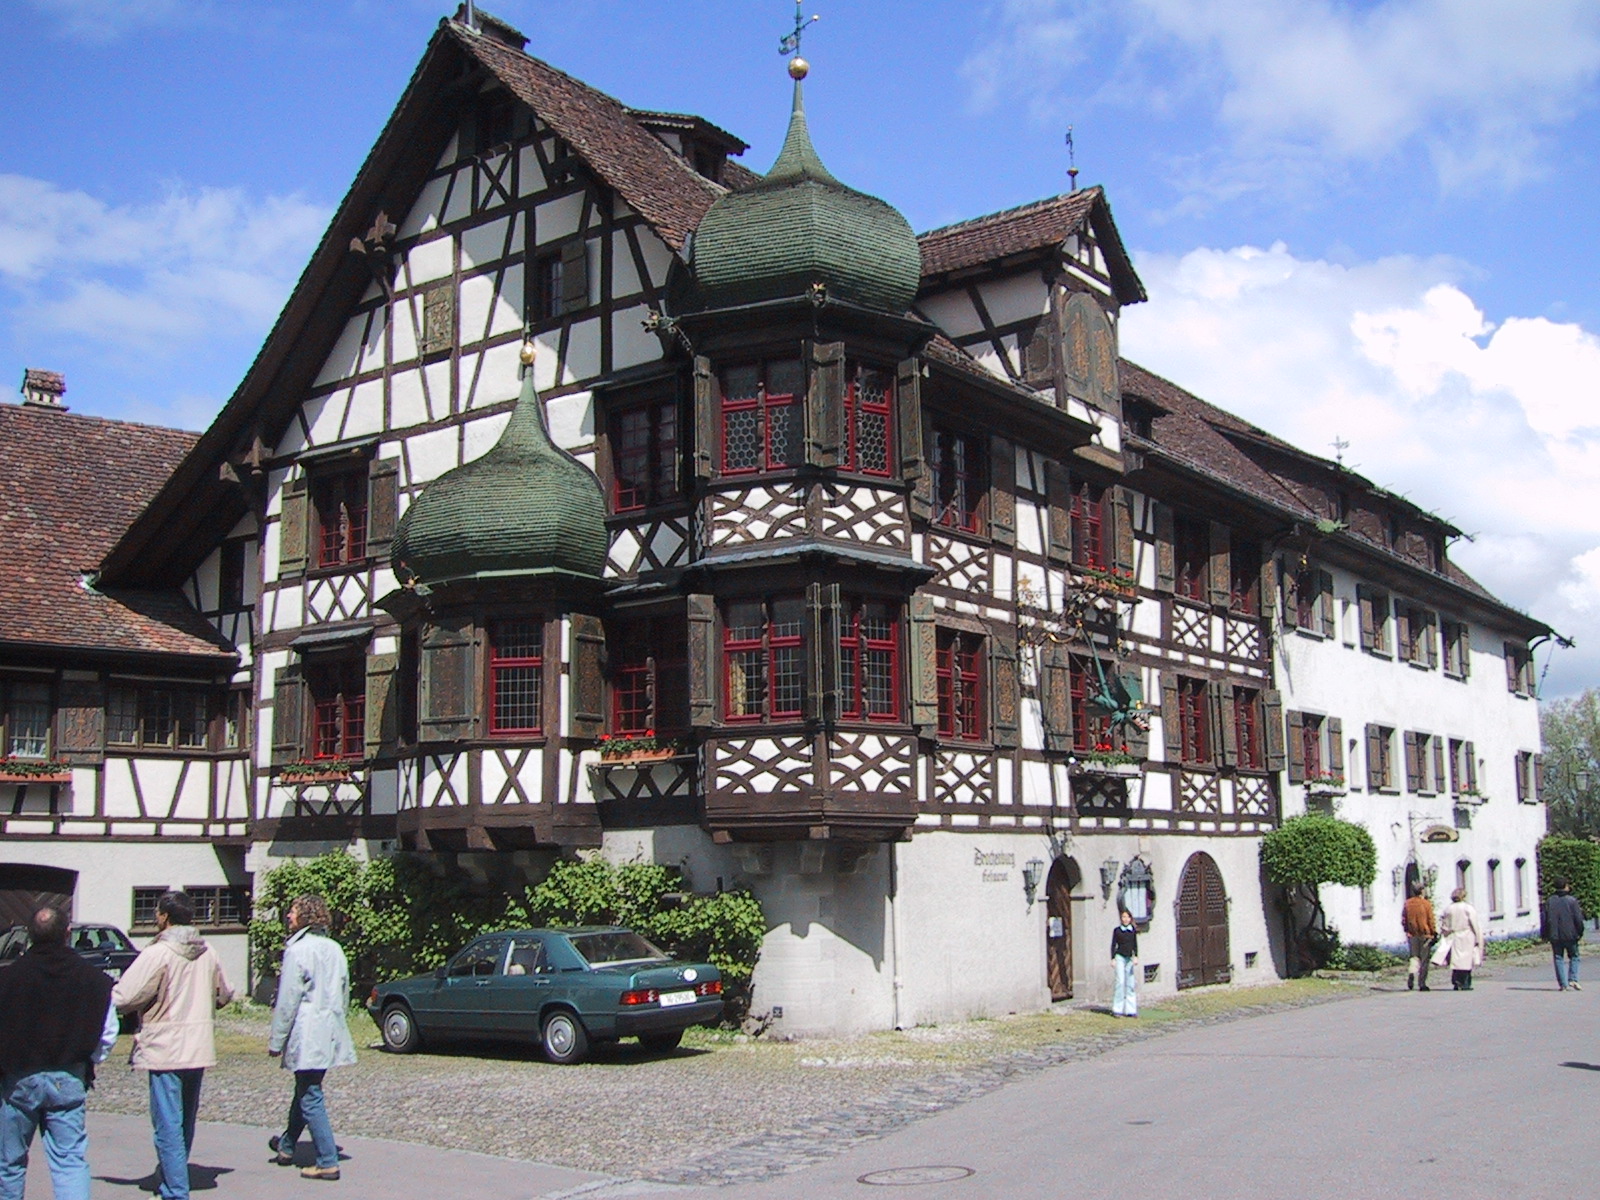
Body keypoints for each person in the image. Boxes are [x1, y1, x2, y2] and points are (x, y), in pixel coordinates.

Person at [112, 891, 235, 1200]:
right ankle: (171, 1174)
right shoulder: (208, 951)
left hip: (165, 1045)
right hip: (198, 1044)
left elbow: (125, 996)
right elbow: (225, 993)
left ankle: (175, 1189)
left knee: (167, 1122)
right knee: (185, 1120)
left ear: (164, 917)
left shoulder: (158, 953)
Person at [0, 907, 118, 1200]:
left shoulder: (8, 978)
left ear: (29, 936)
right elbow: (107, 1033)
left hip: (18, 1079)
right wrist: (89, 1060)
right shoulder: (94, 979)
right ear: (68, 934)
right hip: (69, 1075)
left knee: (10, 1164)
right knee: (69, 1162)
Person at [267, 894, 356, 1182]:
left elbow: (288, 1000)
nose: (288, 916)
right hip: (328, 1029)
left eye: (293, 911)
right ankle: (287, 1146)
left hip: (307, 1031)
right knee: (306, 1088)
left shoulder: (298, 951)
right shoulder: (335, 948)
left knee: (310, 1095)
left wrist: (276, 1040)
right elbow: (344, 991)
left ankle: (327, 1160)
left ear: (305, 916)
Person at [1431, 887, 1484, 991]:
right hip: (1467, 935)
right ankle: (1465, 983)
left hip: (1454, 935)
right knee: (1466, 961)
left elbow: (1443, 924)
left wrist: (1445, 933)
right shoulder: (1468, 908)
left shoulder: (1448, 909)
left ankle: (1456, 982)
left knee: (1456, 960)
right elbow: (1474, 924)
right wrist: (1478, 937)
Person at [1542, 878, 1584, 992]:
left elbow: (1544, 919)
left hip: (1555, 935)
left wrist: (1545, 934)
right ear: (1565, 886)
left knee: (1558, 958)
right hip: (1571, 935)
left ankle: (1563, 984)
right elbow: (1578, 919)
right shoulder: (1572, 901)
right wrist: (1580, 932)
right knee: (1574, 956)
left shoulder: (1550, 901)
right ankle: (1573, 978)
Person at [1401, 882, 1437, 992]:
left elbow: (1404, 919)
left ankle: (1412, 973)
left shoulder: (1407, 903)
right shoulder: (1426, 904)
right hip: (1425, 934)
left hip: (1412, 934)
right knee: (1424, 960)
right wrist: (1433, 932)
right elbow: (1430, 919)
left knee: (1414, 957)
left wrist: (1407, 930)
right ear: (1422, 891)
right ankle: (1422, 983)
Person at [1110, 909, 1139, 1018]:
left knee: (1130, 983)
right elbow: (1113, 945)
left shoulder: (1132, 930)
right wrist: (1113, 958)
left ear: (1130, 919)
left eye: (1127, 917)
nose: (1125, 919)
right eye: (1123, 917)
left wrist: (1136, 956)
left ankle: (1131, 1010)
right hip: (1120, 957)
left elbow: (1135, 944)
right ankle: (1117, 1009)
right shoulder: (1117, 930)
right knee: (1120, 982)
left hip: (1129, 958)